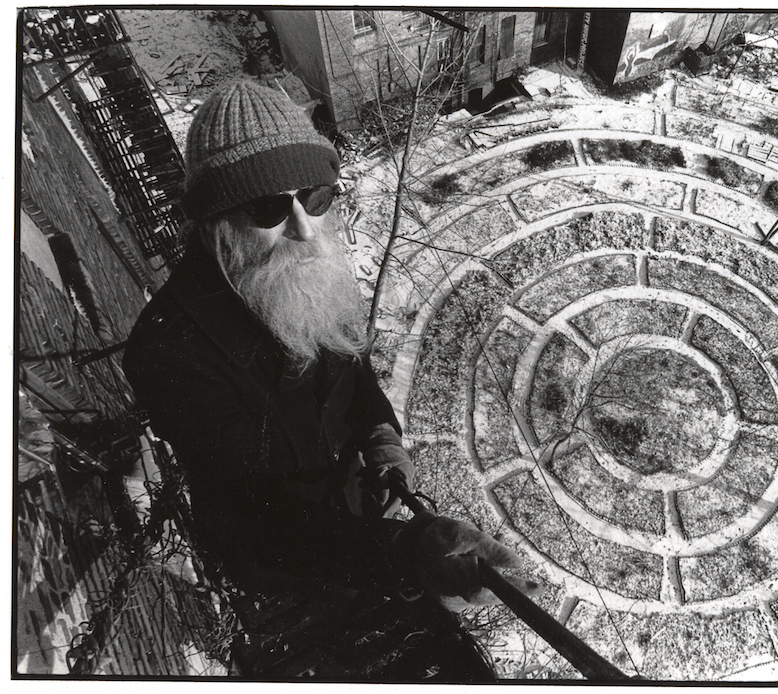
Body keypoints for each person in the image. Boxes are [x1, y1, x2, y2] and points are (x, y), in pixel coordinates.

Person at [123, 80, 534, 680]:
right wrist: (403, 549)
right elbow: (254, 516)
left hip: (352, 515)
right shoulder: (169, 352)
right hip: (282, 567)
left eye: (314, 198)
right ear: (217, 223)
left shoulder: (305, 275)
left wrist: (380, 436)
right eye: (268, 208)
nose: (304, 229)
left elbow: (350, 363)